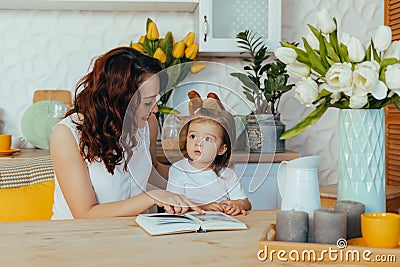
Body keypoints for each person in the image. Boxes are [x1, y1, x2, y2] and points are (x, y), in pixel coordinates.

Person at [50, 46, 203, 220]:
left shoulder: (148, 124)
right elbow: (85, 214)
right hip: (82, 237)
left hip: (137, 231)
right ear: (119, 102)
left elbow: (151, 170)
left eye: (156, 99)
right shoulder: (67, 134)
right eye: (147, 103)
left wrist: (199, 185)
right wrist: (151, 197)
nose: (155, 109)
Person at [166, 108, 252, 216]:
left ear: (221, 149)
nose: (198, 143)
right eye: (193, 136)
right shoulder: (178, 169)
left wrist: (238, 204)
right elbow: (175, 205)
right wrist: (204, 207)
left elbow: (246, 203)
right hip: (189, 227)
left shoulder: (227, 174)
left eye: (208, 139)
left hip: (221, 225)